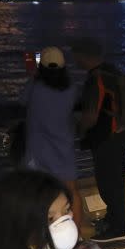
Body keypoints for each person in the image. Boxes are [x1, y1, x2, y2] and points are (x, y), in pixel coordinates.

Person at [71, 38, 125, 243]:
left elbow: (91, 116)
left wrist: (79, 131)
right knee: (116, 181)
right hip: (122, 134)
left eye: (76, 54)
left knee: (108, 183)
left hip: (107, 137)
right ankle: (115, 221)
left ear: (83, 55)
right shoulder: (113, 72)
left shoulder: (95, 79)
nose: (74, 59)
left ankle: (118, 229)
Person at [23, 46, 84, 228]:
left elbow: (22, 101)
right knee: (72, 192)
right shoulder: (71, 89)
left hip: (39, 150)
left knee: (40, 195)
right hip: (63, 147)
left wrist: (32, 75)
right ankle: (76, 234)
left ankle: (47, 236)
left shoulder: (35, 88)